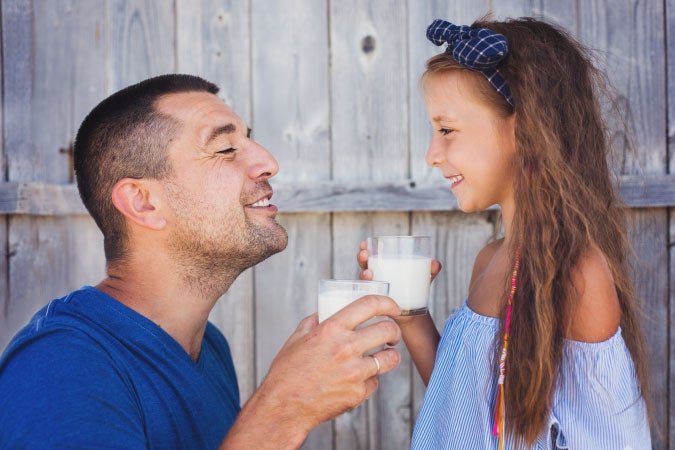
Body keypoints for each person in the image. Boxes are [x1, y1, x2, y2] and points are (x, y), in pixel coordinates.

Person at [0, 74, 403, 449]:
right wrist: (284, 410)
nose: (268, 162)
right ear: (143, 202)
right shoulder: (61, 368)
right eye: (227, 149)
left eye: (249, 141)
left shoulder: (209, 346)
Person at [358, 17, 652, 449]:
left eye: (446, 130)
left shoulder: (578, 276)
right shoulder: (490, 258)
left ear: (524, 130)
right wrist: (412, 317)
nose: (431, 155)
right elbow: (462, 410)